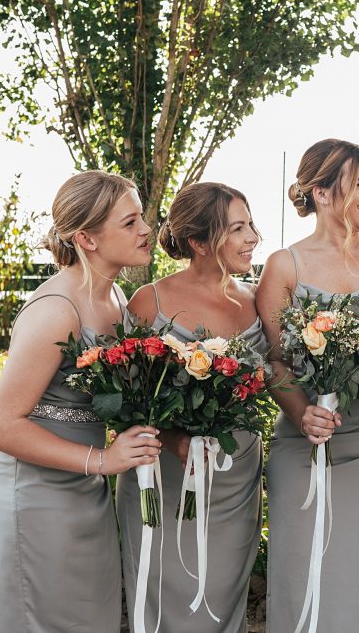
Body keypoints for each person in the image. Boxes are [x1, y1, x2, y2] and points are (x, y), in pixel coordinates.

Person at [0, 170, 162, 632]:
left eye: (142, 219)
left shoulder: (117, 298)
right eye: (130, 222)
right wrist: (102, 460)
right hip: (33, 500)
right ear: (87, 239)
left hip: (87, 497)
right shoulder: (56, 311)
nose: (145, 230)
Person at [257, 139, 359, 632]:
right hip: (311, 447)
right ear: (323, 193)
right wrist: (299, 410)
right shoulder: (284, 265)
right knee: (303, 582)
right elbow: (275, 360)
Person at [116, 181, 267, 632]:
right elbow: (125, 400)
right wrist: (178, 438)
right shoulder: (150, 302)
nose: (252, 237)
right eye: (237, 229)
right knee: (166, 603)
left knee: (223, 602)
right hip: (164, 476)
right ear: (199, 242)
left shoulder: (257, 299)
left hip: (236, 476)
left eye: (251, 224)